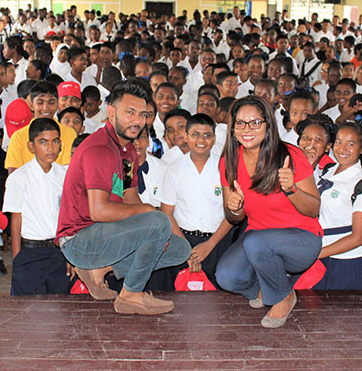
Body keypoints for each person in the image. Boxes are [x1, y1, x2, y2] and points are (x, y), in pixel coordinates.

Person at [56, 80, 191, 315]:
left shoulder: (127, 150)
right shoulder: (99, 149)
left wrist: (153, 228)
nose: (137, 121)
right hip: (80, 240)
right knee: (158, 221)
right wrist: (152, 217)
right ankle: (131, 295)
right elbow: (98, 211)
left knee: (179, 248)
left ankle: (100, 270)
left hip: (108, 232)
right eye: (129, 113)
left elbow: (129, 197)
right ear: (111, 112)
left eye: (143, 114)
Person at [215, 95, 323, 328]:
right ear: (232, 127)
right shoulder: (228, 162)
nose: (248, 129)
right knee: (226, 277)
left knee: (255, 242)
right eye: (240, 123)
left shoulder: (290, 156)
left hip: (302, 240)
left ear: (268, 124)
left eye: (255, 122)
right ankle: (273, 288)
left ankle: (283, 297)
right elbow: (235, 218)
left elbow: (314, 209)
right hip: (258, 240)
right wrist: (235, 207)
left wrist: (291, 189)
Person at [157, 113, 233, 288]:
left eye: (207, 135)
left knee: (218, 291)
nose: (201, 140)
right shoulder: (174, 169)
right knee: (181, 292)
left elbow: (232, 213)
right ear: (186, 137)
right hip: (183, 238)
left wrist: (209, 245)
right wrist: (186, 251)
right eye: (195, 135)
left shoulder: (225, 167)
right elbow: (167, 213)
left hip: (218, 240)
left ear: (214, 139)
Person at [4, 118, 73, 296]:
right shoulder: (19, 177)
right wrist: (18, 258)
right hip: (30, 252)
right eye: (43, 142)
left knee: (59, 306)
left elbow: (69, 216)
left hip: (59, 252)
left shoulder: (65, 175)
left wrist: (70, 255)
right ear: (31, 146)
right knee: (29, 310)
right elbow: (16, 220)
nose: (50, 148)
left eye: (55, 141)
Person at [314, 122, 362, 290]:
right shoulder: (327, 172)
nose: (343, 148)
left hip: (346, 262)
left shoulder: (360, 186)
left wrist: (317, 254)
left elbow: (358, 237)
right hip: (322, 255)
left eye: (351, 144)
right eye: (339, 142)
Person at [5, 81, 77, 171]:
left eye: (51, 102)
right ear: (31, 105)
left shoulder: (69, 133)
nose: (46, 107)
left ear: (57, 105)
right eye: (40, 102)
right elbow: (13, 175)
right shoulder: (18, 136)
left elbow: (69, 170)